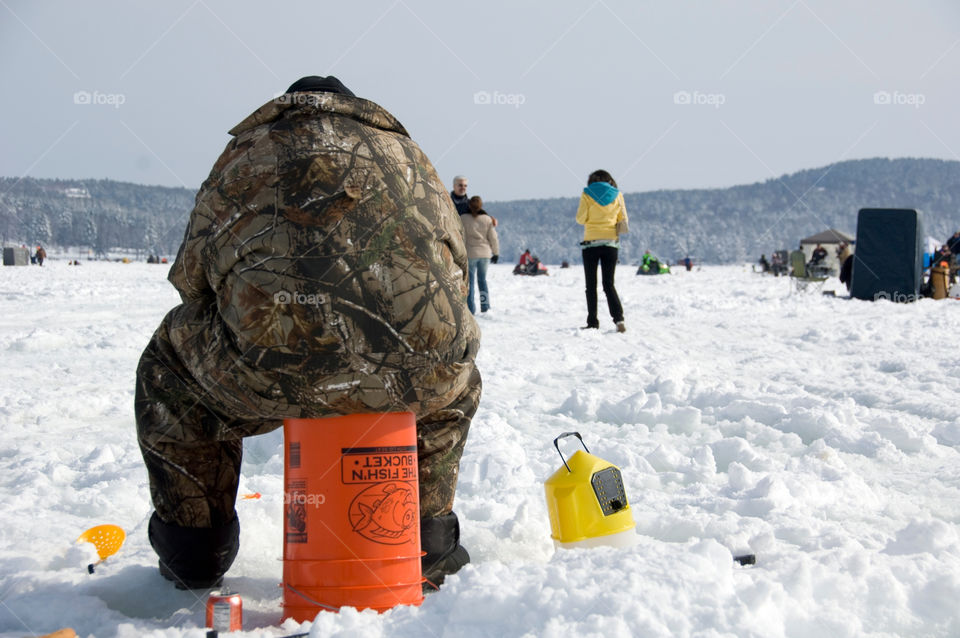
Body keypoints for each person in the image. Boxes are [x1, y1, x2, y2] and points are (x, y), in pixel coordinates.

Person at [135, 75, 481, 591]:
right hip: (414, 369)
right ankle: (427, 542)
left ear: (285, 109)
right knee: (456, 379)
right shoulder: (410, 156)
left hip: (272, 368)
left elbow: (193, 278)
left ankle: (194, 549)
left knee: (168, 371)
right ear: (355, 109)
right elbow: (454, 263)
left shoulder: (245, 155)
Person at [576, 169, 626, 332]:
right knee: (608, 284)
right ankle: (618, 320)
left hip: (591, 243)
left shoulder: (586, 195)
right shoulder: (617, 195)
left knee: (591, 285)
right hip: (611, 243)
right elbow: (623, 219)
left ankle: (592, 322)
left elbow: (580, 218)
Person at [460, 195, 499, 313]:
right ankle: (485, 307)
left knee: (470, 283)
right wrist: (496, 253)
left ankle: (471, 309)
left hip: (470, 253)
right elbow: (493, 238)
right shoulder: (487, 219)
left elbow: (461, 236)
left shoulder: (463, 218)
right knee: (482, 281)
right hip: (485, 254)